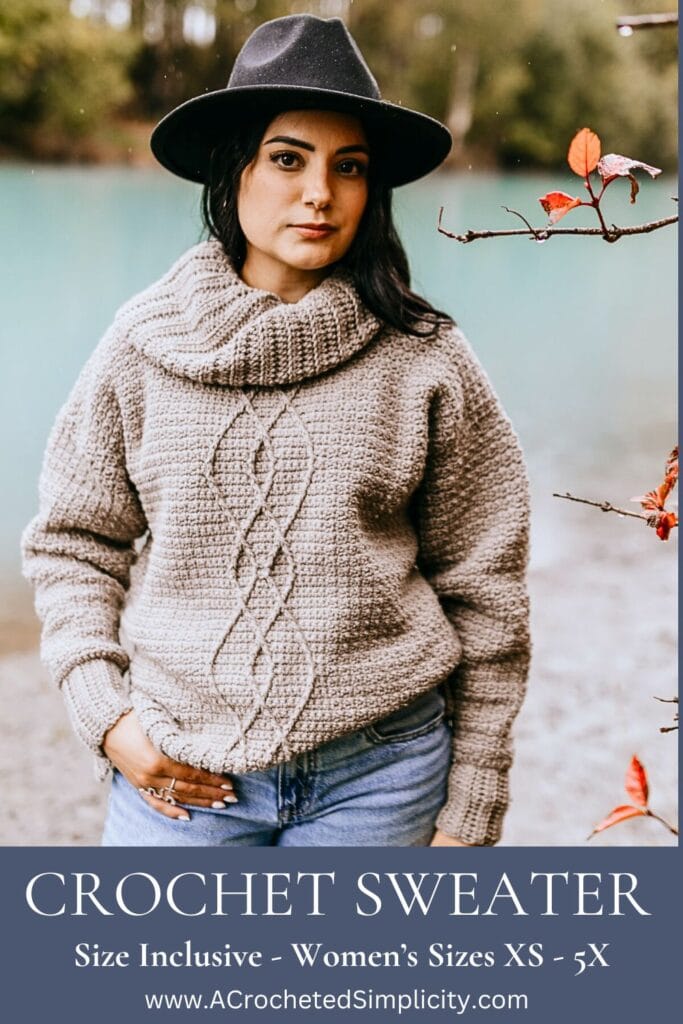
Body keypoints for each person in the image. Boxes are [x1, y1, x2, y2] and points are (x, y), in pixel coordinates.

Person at [21, 14, 530, 847]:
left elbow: (488, 597)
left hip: (382, 775)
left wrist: (473, 801)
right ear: (235, 171)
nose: (320, 194)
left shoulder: (426, 359)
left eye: (350, 167)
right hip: (179, 778)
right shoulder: (141, 347)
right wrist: (106, 716)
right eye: (288, 159)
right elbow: (74, 545)